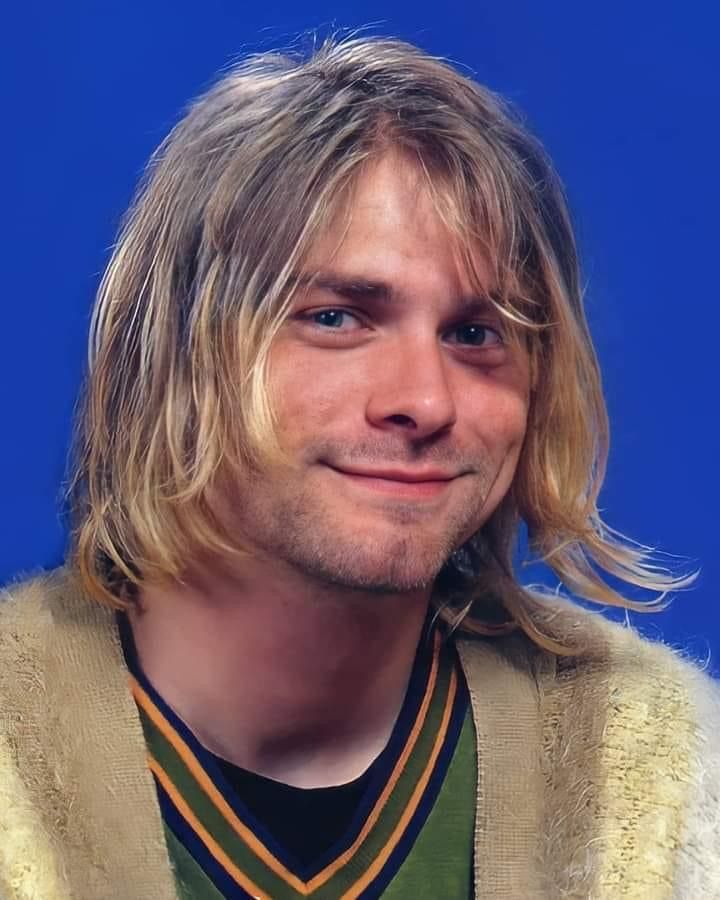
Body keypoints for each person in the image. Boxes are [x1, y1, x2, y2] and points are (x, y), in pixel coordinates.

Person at [1, 35, 718, 900]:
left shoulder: (658, 764)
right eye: (337, 318)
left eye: (475, 333)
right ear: (174, 354)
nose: (426, 398)